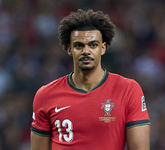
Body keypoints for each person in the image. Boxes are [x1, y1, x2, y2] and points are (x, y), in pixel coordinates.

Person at [30, 9, 151, 150]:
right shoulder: (45, 95)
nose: (86, 51)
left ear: (103, 48)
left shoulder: (128, 90)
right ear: (69, 49)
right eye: (79, 46)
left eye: (93, 45)